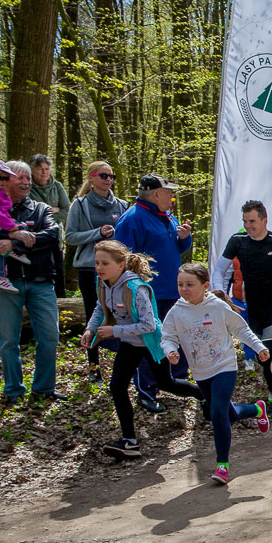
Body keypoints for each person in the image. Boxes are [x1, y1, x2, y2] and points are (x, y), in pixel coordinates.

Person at [82, 240, 204, 459]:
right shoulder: (103, 283)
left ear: (120, 265)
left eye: (105, 263)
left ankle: (206, 397)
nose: (99, 268)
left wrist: (114, 331)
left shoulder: (136, 288)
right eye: (97, 263)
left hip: (152, 343)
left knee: (167, 383)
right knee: (117, 386)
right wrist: (90, 330)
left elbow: (148, 325)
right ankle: (129, 442)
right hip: (130, 344)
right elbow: (100, 307)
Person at [162, 263, 271, 485]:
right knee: (228, 414)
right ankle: (257, 409)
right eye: (180, 284)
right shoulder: (177, 311)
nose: (184, 289)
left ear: (205, 286)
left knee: (218, 413)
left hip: (224, 366)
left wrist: (259, 347)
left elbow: (241, 329)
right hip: (201, 372)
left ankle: (222, 466)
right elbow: (168, 336)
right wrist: (170, 350)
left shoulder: (218, 306)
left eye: (190, 284)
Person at [214, 200, 272, 411]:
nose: (248, 226)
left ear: (264, 220)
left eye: (252, 221)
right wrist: (221, 294)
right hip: (253, 308)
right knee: (263, 354)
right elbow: (219, 270)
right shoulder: (238, 241)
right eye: (245, 221)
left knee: (265, 355)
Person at [0, 159, 65, 404]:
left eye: (28, 178)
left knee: (50, 336)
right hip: (3, 283)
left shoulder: (40, 209)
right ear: (5, 181)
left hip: (41, 281)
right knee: (8, 340)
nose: (26, 182)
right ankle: (13, 390)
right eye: (19, 177)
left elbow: (52, 235)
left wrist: (14, 243)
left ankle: (44, 388)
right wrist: (0, 241)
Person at [114, 173, 195, 408]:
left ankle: (177, 379)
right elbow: (123, 259)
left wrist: (185, 238)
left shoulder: (167, 215)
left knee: (175, 334)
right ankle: (147, 390)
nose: (172, 197)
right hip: (147, 293)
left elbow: (176, 248)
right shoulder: (132, 219)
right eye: (169, 192)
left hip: (173, 289)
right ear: (156, 194)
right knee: (147, 341)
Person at [66, 160, 129, 383]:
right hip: (89, 267)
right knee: (94, 315)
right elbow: (70, 236)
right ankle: (94, 366)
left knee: (123, 313)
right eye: (103, 176)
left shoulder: (122, 205)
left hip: (118, 269)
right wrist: (98, 233)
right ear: (91, 178)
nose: (108, 180)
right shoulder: (80, 205)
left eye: (111, 176)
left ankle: (125, 365)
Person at [0, 159, 30, 293]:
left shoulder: (0, 192)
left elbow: (4, 209)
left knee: (23, 227)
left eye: (6, 178)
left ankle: (14, 251)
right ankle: (1, 278)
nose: (3, 181)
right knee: (2, 247)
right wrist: (10, 226)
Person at [27, 156, 70, 295]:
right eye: (40, 169)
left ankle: (60, 299)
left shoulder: (57, 186)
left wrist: (47, 218)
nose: (44, 172)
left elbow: (66, 209)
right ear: (32, 170)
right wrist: (51, 210)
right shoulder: (27, 187)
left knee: (58, 267)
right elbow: (28, 213)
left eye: (47, 169)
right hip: (34, 235)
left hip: (55, 235)